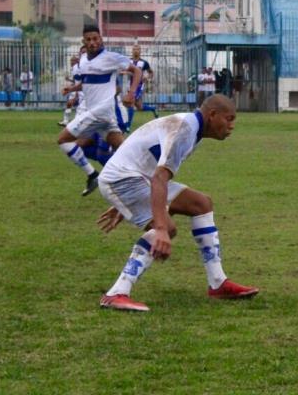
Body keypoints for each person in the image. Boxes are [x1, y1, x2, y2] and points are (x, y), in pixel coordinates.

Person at [96, 95, 259, 311]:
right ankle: (116, 293)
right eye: (229, 119)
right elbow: (159, 178)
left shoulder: (191, 127)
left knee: (201, 204)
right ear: (212, 115)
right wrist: (161, 227)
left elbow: (148, 164)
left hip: (137, 177)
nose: (231, 126)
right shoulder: (186, 129)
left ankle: (218, 283)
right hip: (124, 179)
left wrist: (128, 201)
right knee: (167, 229)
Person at [57, 25, 142, 196]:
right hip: (105, 116)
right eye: (88, 40)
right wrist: (72, 89)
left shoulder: (110, 57)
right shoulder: (83, 61)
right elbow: (88, 82)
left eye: (95, 39)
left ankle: (93, 175)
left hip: (99, 112)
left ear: (101, 39)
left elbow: (137, 71)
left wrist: (131, 93)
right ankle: (147, 178)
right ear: (84, 42)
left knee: (64, 140)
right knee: (126, 151)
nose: (92, 42)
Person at [125, 45, 158, 133]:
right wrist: (128, 72)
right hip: (130, 86)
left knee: (131, 103)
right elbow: (123, 70)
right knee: (140, 107)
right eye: (134, 49)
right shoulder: (128, 61)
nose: (136, 51)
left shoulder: (144, 63)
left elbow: (151, 72)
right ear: (132, 51)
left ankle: (128, 126)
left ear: (140, 51)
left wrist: (147, 77)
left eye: (138, 49)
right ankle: (153, 109)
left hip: (139, 86)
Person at [59, 54, 84, 127]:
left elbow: (79, 81)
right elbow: (75, 80)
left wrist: (73, 89)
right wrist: (69, 80)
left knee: (79, 105)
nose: (71, 62)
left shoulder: (79, 68)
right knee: (69, 104)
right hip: (75, 89)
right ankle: (66, 121)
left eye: (73, 60)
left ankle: (76, 122)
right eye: (71, 60)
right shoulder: (74, 68)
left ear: (77, 61)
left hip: (79, 90)